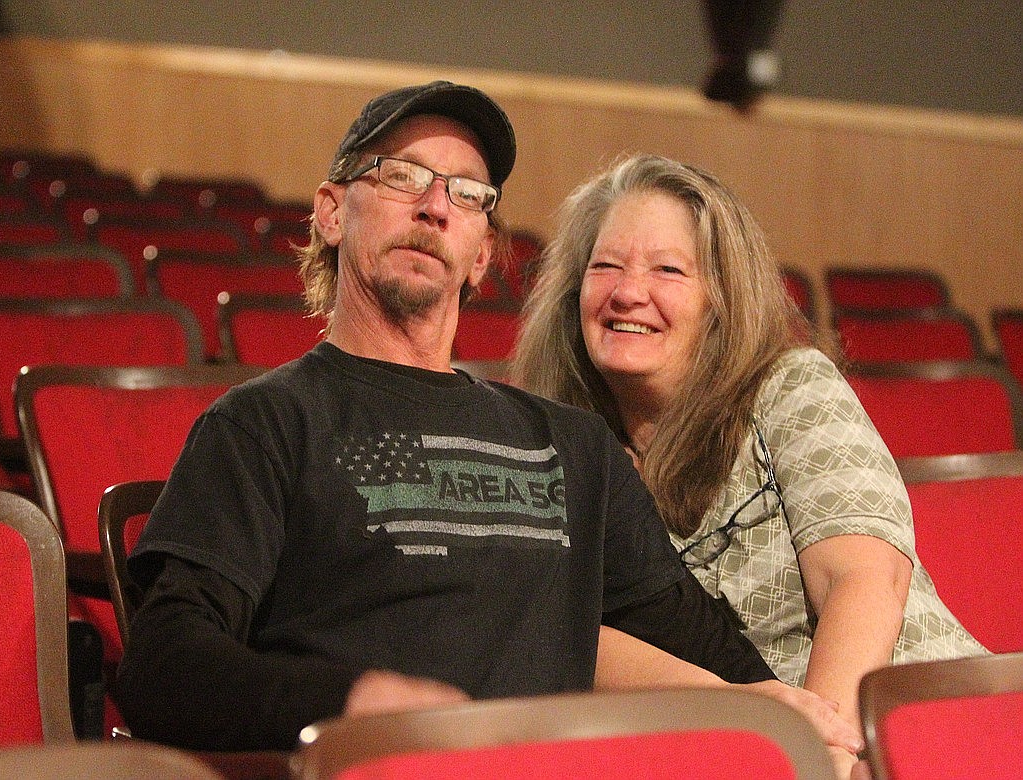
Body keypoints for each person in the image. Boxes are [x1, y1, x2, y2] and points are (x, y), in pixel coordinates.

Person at [113, 83, 860, 758]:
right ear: (333, 212)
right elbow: (165, 662)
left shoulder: (572, 446)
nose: (435, 206)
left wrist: (782, 716)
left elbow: (703, 646)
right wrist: (349, 700)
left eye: (469, 194)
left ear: (480, 257)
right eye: (400, 175)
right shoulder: (264, 425)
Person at [514, 152, 986, 777]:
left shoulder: (790, 386)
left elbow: (863, 582)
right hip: (744, 751)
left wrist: (824, 755)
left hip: (901, 733)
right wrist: (749, 721)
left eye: (668, 269)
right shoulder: (559, 451)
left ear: (720, 299)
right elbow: (569, 637)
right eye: (605, 266)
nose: (629, 292)